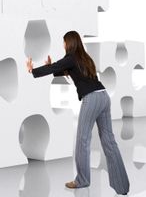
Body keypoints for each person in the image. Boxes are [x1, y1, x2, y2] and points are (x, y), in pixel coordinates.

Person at [26, 30, 130, 195]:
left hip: (92, 99)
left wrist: (33, 70)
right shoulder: (84, 58)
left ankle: (82, 180)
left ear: (69, 43)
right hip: (104, 96)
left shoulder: (71, 58)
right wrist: (50, 66)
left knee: (82, 140)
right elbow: (62, 70)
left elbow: (57, 67)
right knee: (109, 141)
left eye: (64, 42)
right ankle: (122, 186)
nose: (63, 45)